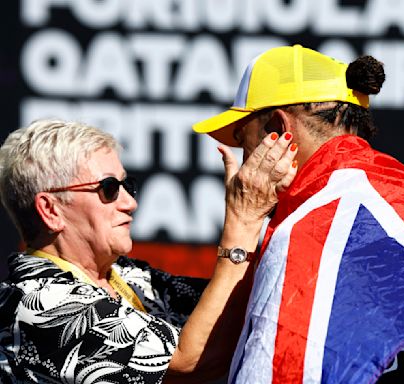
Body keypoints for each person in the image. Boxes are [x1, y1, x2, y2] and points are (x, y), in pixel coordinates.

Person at [193, 44, 404, 383]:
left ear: (277, 130)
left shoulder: (308, 234)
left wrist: (242, 223)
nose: (243, 160)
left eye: (244, 138)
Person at [0, 119, 297, 383]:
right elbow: (191, 362)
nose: (130, 202)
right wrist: (243, 220)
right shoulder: (36, 302)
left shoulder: (129, 276)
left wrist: (278, 202)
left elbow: (244, 307)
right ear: (50, 210)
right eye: (109, 188)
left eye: (126, 184)